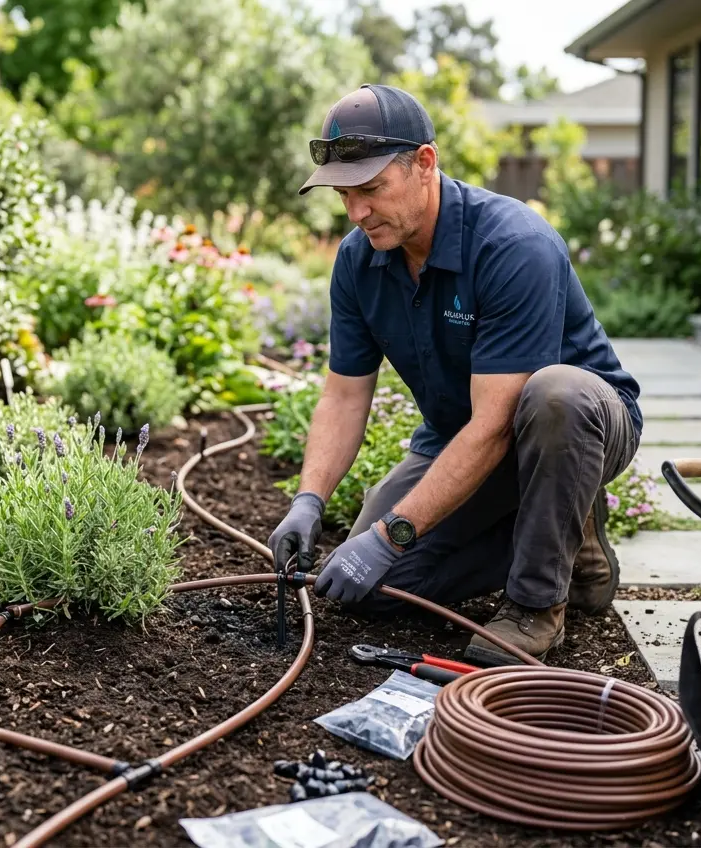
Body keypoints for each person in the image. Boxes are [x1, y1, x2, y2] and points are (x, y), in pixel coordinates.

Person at [266, 84, 642, 665]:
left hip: (573, 427)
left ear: (424, 163)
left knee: (555, 394)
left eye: (371, 189)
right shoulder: (359, 260)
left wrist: (393, 533)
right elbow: (343, 397)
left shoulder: (513, 246)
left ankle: (537, 604)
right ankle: (564, 534)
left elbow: (496, 425)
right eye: (344, 194)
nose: (357, 212)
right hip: (457, 436)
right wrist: (309, 500)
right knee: (376, 589)